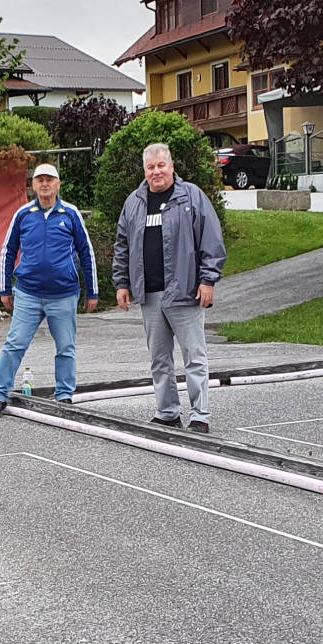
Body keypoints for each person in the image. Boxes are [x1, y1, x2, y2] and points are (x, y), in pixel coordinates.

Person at [112, 143, 227, 433]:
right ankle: (167, 413)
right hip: (149, 296)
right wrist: (122, 283)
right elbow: (122, 245)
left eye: (161, 165)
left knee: (194, 357)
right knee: (159, 359)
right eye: (150, 167)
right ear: (144, 171)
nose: (156, 171)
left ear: (172, 167)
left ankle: (200, 416)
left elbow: (211, 240)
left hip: (185, 293)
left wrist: (208, 280)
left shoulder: (192, 196)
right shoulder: (134, 202)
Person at [0, 163, 98, 418]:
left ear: (58, 184)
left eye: (50, 180)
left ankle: (64, 396)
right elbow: (8, 251)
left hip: (64, 294)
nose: (45, 184)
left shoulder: (71, 214)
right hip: (28, 293)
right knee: (15, 344)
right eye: (40, 180)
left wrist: (92, 292)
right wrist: (4, 289)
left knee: (66, 347)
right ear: (33, 185)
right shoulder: (23, 214)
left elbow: (86, 252)